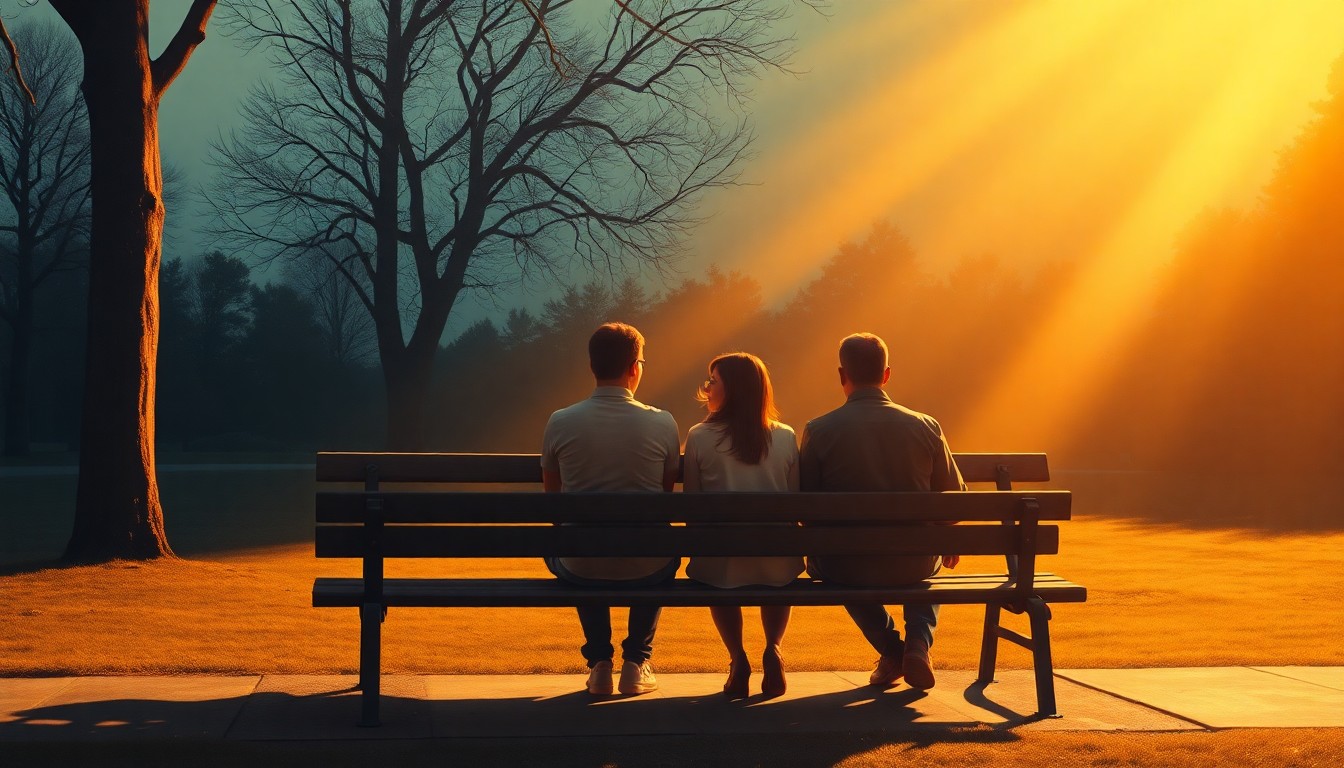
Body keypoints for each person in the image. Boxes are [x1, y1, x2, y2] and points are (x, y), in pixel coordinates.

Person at [799, 333, 965, 690]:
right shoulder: (926, 426)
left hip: (845, 564)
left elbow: (807, 512)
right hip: (913, 562)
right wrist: (943, 534)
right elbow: (953, 502)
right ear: (886, 374)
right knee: (925, 571)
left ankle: (893, 649)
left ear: (842, 374)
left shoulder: (818, 430)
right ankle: (917, 643)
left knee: (838, 568)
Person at [541, 322, 681, 696]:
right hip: (647, 564)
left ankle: (600, 663)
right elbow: (663, 498)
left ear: (592, 366)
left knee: (576, 542)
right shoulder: (663, 422)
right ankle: (636, 661)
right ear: (636, 367)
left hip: (581, 564)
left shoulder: (560, 421)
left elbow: (553, 501)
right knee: (654, 544)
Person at [684, 353, 802, 698]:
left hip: (722, 561)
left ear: (731, 389)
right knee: (779, 571)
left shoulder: (699, 436)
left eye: (713, 381)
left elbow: (693, 506)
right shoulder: (785, 436)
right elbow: (794, 501)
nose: (707, 389)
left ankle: (738, 658)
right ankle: (774, 649)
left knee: (716, 570)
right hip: (778, 560)